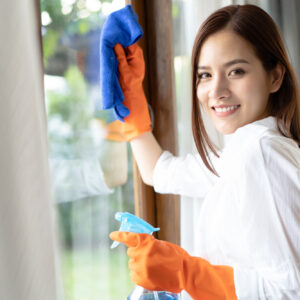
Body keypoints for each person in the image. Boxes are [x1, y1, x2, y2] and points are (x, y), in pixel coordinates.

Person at [109, 4, 300, 299]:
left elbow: (291, 289)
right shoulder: (242, 151)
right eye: (205, 75)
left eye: (236, 71)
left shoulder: (262, 153)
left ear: (275, 77)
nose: (217, 91)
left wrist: (186, 273)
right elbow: (160, 172)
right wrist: (134, 107)